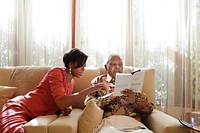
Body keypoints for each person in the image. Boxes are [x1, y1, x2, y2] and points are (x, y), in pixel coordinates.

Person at [0, 48, 109, 133]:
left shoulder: (71, 82)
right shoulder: (56, 73)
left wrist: (66, 108)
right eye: (81, 66)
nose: (83, 69)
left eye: (84, 66)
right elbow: (61, 101)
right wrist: (93, 88)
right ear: (71, 64)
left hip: (33, 114)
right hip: (19, 107)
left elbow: (62, 102)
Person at [86, 54, 154, 121]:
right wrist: (109, 97)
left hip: (133, 123)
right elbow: (88, 105)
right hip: (109, 123)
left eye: (120, 64)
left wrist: (133, 102)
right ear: (106, 67)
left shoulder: (131, 81)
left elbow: (149, 109)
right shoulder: (98, 82)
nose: (117, 67)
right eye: (113, 64)